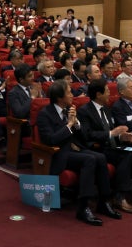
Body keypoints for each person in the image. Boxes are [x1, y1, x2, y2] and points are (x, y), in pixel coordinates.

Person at [36, 80, 121, 226]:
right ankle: (83, 207)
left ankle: (103, 201)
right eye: (69, 92)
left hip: (75, 149)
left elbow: (83, 136)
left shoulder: (70, 109)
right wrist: (69, 124)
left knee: (100, 157)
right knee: (89, 159)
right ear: (59, 97)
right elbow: (50, 140)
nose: (72, 95)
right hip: (58, 154)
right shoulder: (45, 114)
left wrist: (76, 123)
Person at [79, 79, 132, 213]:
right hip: (99, 148)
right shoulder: (84, 111)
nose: (110, 94)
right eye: (107, 91)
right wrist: (111, 134)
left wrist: (121, 136)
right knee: (125, 156)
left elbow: (114, 131)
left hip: (113, 145)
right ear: (98, 94)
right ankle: (120, 196)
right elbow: (88, 134)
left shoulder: (106, 109)